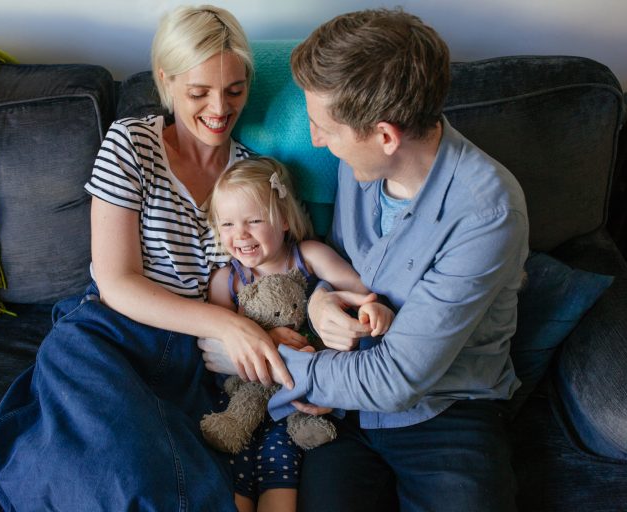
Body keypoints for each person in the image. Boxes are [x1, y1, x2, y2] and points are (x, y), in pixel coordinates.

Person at [0, 5, 291, 511]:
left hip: (187, 360)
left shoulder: (249, 174)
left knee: (158, 486)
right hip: (110, 331)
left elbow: (270, 270)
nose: (220, 110)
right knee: (113, 463)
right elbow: (117, 282)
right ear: (166, 80)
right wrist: (227, 327)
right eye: (198, 92)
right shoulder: (132, 143)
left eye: (234, 90)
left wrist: (263, 328)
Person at [200, 8, 529, 512]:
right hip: (341, 405)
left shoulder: (486, 211)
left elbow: (397, 379)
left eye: (324, 129)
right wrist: (321, 304)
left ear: (385, 136)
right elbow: (343, 271)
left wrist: (260, 356)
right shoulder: (363, 166)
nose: (315, 142)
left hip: (445, 411)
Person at [205, 156, 394, 512]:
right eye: (227, 224)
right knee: (236, 474)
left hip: (300, 395)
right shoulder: (226, 280)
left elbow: (358, 293)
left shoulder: (308, 256)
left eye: (254, 220)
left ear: (286, 220)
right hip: (246, 394)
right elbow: (214, 347)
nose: (240, 235)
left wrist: (372, 308)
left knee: (282, 470)